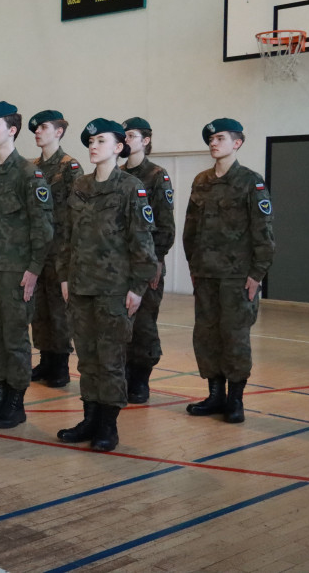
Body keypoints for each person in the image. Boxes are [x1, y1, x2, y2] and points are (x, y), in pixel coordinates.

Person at [57, 119, 156, 451]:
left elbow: (142, 241)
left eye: (101, 140)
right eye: (91, 141)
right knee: (87, 358)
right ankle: (90, 418)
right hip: (81, 286)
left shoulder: (130, 187)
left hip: (114, 289)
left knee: (111, 359)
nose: (93, 145)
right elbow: (67, 237)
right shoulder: (80, 186)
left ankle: (108, 426)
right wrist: (65, 276)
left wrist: (138, 286)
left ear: (118, 148)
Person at [0, 102, 53, 429]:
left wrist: (33, 269)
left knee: (14, 338)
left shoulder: (29, 173)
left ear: (12, 130)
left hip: (16, 272)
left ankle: (15, 403)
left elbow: (43, 227)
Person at [182, 118, 274, 424]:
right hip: (206, 274)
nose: (213, 143)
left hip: (237, 276)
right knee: (207, 336)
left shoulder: (251, 181)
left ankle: (236, 399)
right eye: (211, 139)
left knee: (234, 337)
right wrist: (193, 266)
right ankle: (215, 395)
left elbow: (264, 233)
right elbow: (191, 229)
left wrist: (257, 273)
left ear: (237, 143)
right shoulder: (201, 181)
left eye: (220, 138)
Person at [120, 117, 175, 403]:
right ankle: (122, 375)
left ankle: (140, 380)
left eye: (131, 135)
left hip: (147, 262)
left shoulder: (156, 175)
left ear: (145, 141)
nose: (126, 140)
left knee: (143, 324)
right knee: (120, 322)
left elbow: (164, 225)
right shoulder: (116, 174)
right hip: (118, 265)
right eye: (124, 135)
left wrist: (156, 261)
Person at [28, 110, 81, 388]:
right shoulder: (32, 167)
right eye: (36, 128)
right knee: (39, 308)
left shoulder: (69, 167)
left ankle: (60, 364)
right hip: (38, 249)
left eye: (44, 127)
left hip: (61, 249)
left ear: (59, 131)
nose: (38, 131)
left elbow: (78, 212)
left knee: (59, 310)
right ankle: (45, 359)